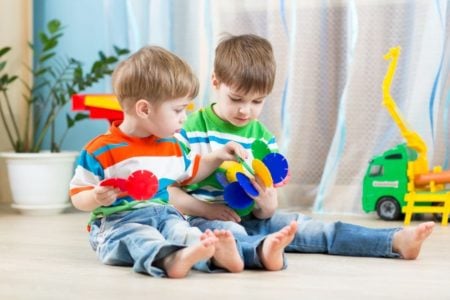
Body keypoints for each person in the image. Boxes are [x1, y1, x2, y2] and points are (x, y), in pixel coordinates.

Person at [169, 34, 435, 265]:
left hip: (250, 219)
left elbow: (266, 209)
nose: (245, 110)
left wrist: (267, 206)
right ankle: (262, 252)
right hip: (203, 221)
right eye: (236, 99)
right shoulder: (189, 129)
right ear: (215, 82)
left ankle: (394, 240)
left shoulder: (262, 137)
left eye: (257, 101)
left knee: (314, 227)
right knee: (231, 235)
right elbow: (168, 191)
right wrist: (206, 210)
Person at [70, 46, 252, 278]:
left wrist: (217, 156)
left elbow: (192, 172)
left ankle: (214, 255)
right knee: (140, 237)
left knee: (184, 231)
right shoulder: (101, 150)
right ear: (144, 109)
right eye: (178, 110)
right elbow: (77, 195)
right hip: (119, 221)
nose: (184, 117)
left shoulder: (172, 144)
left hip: (165, 214)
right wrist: (95, 197)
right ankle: (170, 259)